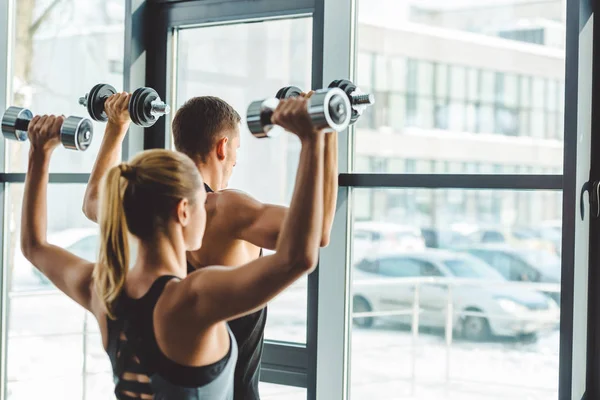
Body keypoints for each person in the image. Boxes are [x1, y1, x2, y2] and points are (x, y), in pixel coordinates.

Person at [20, 97, 329, 399]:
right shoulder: (192, 299)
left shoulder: (102, 290)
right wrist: (313, 137)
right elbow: (298, 256)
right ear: (183, 211)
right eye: (200, 203)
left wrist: (39, 150)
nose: (207, 207)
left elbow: (35, 245)